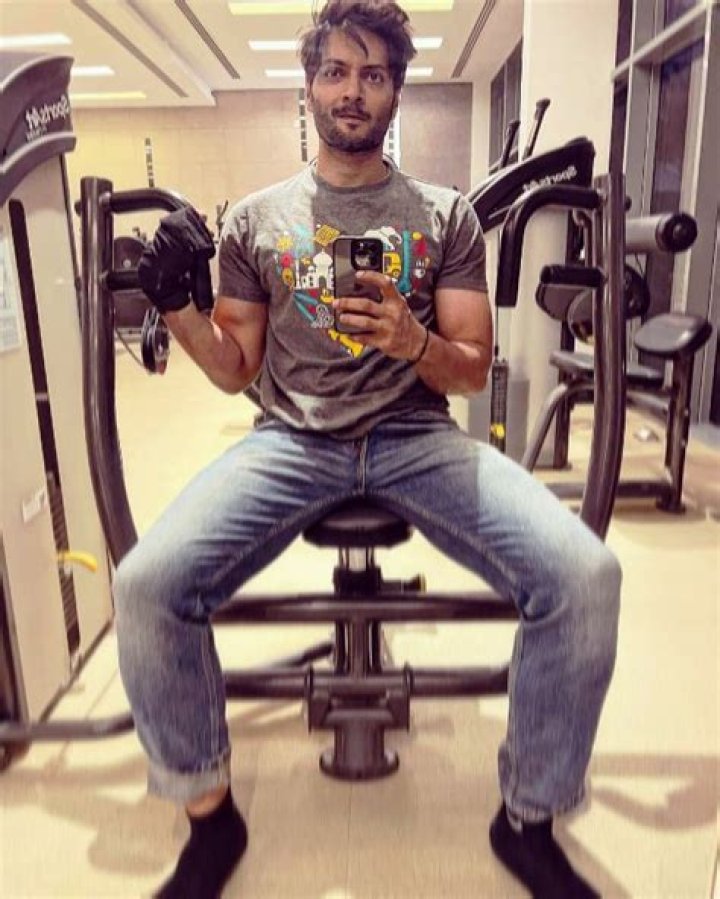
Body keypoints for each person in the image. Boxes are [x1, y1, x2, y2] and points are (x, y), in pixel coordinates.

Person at [118, 1, 622, 896]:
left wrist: (413, 341)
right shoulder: (256, 222)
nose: (353, 92)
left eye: (374, 75)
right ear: (309, 86)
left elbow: (471, 368)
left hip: (413, 435)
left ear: (396, 91)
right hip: (292, 438)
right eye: (337, 72)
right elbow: (234, 368)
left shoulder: (445, 216)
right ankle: (209, 815)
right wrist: (177, 308)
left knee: (585, 578)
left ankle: (528, 816)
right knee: (145, 586)